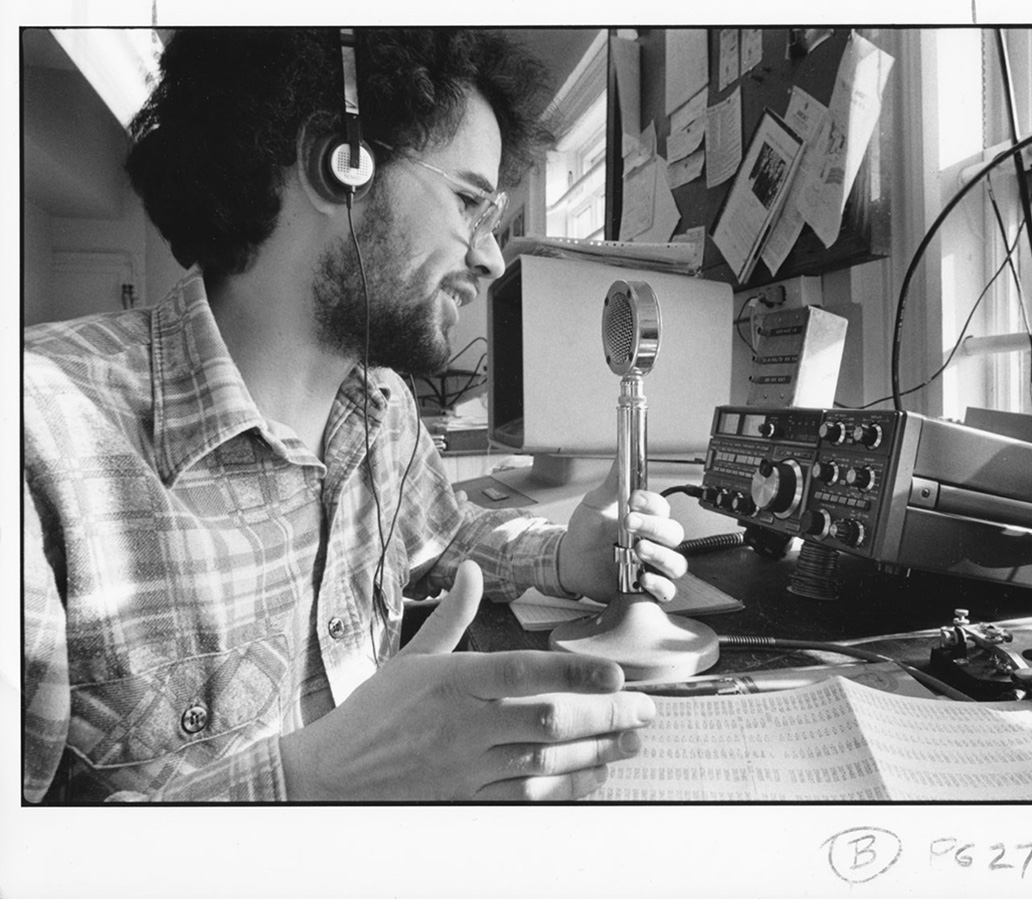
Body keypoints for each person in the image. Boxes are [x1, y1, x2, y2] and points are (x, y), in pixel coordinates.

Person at [22, 27, 689, 803]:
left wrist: (563, 558)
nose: (492, 257)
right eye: (471, 202)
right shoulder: (40, 439)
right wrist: (307, 783)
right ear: (338, 161)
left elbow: (449, 538)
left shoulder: (384, 409)